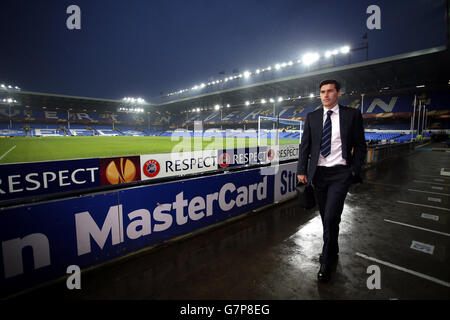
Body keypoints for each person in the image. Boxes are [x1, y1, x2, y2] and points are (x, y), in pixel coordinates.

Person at [297, 79, 366, 283]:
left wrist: (353, 170)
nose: (325, 95)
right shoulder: (312, 117)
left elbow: (361, 146)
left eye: (329, 91)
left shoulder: (351, 115)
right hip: (318, 174)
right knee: (328, 217)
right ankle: (333, 249)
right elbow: (305, 146)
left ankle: (326, 261)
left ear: (338, 93)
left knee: (330, 217)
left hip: (341, 174)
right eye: (322, 92)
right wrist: (302, 170)